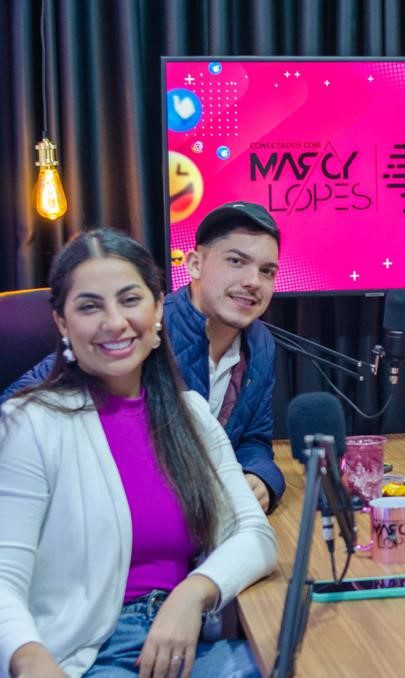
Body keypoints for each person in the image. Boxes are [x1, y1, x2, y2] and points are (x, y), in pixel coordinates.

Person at [0, 228, 276, 677]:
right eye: (90, 306)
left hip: (186, 640)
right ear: (63, 324)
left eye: (130, 300)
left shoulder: (191, 415)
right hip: (87, 655)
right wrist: (28, 657)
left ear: (158, 308)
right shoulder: (28, 423)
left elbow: (254, 536)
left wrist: (192, 594)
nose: (114, 322)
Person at [2, 202, 285, 513]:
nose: (253, 281)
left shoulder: (261, 343)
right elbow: (16, 410)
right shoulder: (141, 329)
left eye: (266, 271)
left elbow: (254, 439)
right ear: (194, 264)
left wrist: (260, 476)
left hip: (210, 518)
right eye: (236, 261)